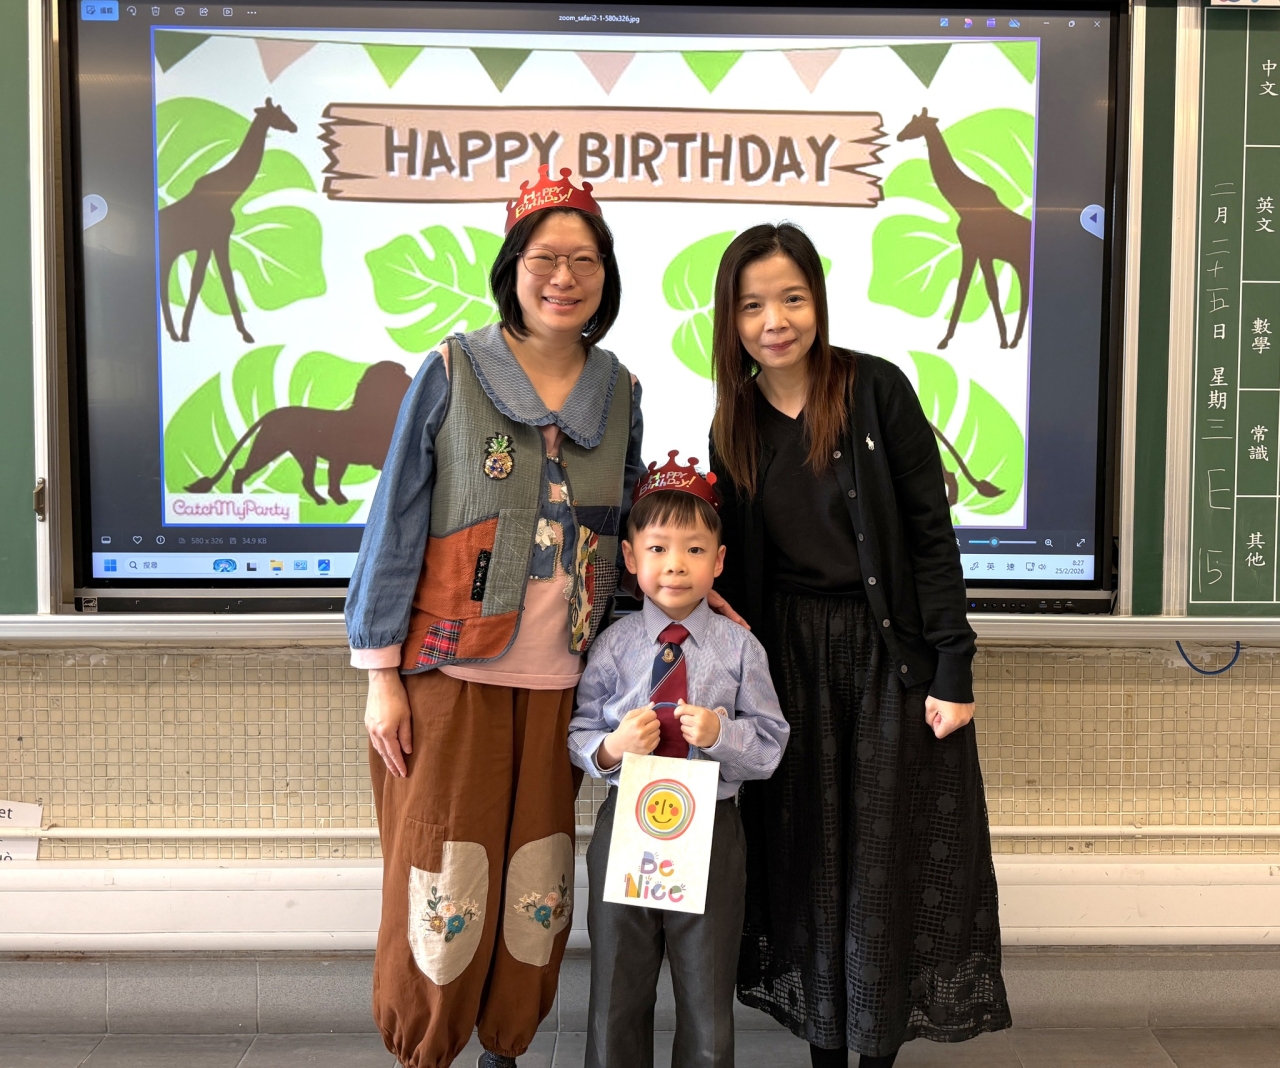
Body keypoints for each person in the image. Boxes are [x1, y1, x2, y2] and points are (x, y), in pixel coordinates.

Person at [345, 166, 645, 1068]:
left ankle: (506, 1047)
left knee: (537, 879)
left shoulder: (621, 391)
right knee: (444, 873)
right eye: (545, 257)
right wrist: (381, 676)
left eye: (585, 259)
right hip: (449, 678)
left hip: (564, 687)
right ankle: (427, 1047)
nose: (564, 277)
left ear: (606, 275)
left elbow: (634, 537)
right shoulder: (452, 368)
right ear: (512, 268)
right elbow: (396, 520)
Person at [708, 223, 1012, 1066]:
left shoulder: (875, 390)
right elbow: (728, 574)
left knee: (883, 868)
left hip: (888, 662)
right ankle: (827, 1053)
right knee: (809, 870)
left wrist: (953, 667)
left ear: (818, 300)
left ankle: (874, 1052)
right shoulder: (733, 423)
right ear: (731, 319)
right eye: (753, 305)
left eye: (792, 299)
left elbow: (930, 538)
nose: (776, 321)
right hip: (789, 669)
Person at [567, 454, 790, 1068]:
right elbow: (580, 730)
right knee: (616, 988)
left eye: (694, 550)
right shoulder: (612, 646)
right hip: (627, 825)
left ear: (718, 562)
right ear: (630, 557)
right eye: (658, 549)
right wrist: (612, 748)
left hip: (712, 830)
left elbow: (771, 743)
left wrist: (721, 734)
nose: (675, 565)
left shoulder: (740, 648)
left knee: (706, 992)